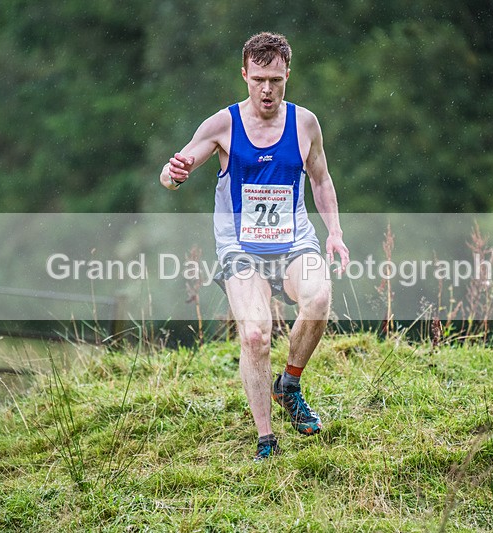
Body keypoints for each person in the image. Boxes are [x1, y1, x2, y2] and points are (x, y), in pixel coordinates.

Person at [160, 32, 349, 460]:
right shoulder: (222, 125)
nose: (267, 90)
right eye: (259, 79)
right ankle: (266, 440)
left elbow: (320, 179)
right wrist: (174, 175)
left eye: (276, 81)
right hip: (240, 249)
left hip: (294, 242)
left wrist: (334, 232)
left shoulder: (305, 124)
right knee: (256, 334)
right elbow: (171, 173)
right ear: (244, 74)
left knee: (319, 298)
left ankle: (289, 385)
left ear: (287, 77)